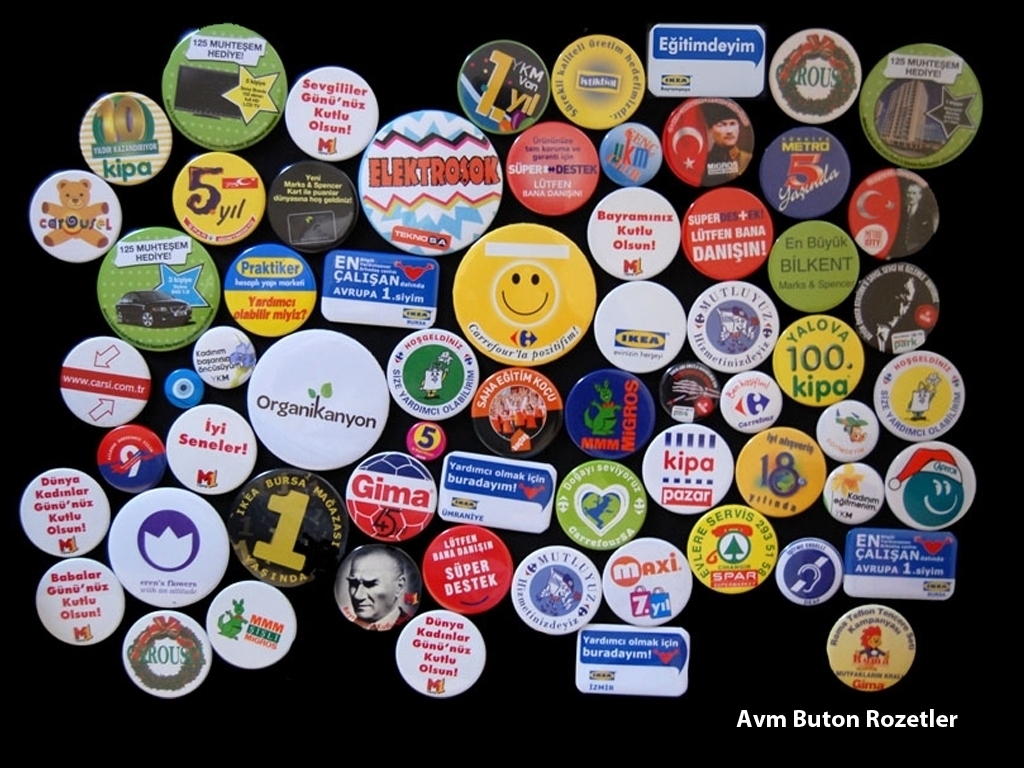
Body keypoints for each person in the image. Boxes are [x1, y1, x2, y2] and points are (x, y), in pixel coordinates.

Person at [339, 546, 413, 631]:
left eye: (370, 584)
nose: (357, 596)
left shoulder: (411, 628)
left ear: (399, 586)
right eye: (353, 583)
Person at [703, 102, 752, 185]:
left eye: (732, 124)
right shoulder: (703, 162)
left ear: (739, 127)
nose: (729, 131)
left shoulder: (747, 159)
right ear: (710, 130)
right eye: (721, 125)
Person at [895, 180, 938, 256]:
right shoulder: (899, 212)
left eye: (914, 193)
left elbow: (928, 235)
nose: (911, 196)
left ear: (919, 196)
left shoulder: (925, 213)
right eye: (909, 193)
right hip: (899, 250)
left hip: (917, 248)